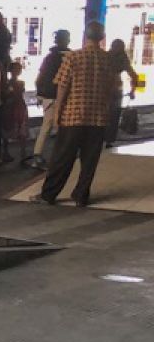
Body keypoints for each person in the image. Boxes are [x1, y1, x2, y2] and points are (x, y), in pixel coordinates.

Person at [32, 21, 113, 207]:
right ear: (102, 37)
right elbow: (110, 89)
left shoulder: (73, 57)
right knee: (89, 160)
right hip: (98, 118)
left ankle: (48, 195)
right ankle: (81, 195)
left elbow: (62, 87)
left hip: (73, 117)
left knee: (62, 158)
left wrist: (58, 114)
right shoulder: (108, 60)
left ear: (85, 36)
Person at [32, 29, 72, 169]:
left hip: (48, 98)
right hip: (65, 97)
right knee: (64, 127)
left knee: (47, 126)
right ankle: (59, 157)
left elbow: (39, 78)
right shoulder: (70, 57)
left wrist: (39, 94)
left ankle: (38, 155)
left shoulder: (49, 58)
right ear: (66, 40)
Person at [105, 39, 139, 147]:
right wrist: (132, 91)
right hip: (116, 90)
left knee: (102, 114)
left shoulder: (105, 56)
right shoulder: (122, 59)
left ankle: (98, 138)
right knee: (114, 116)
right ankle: (109, 140)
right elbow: (134, 76)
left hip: (102, 90)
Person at [1, 60, 28, 164]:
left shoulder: (9, 83)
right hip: (16, 106)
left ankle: (13, 152)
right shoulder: (17, 83)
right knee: (18, 129)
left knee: (15, 129)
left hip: (13, 107)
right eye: (16, 69)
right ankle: (21, 153)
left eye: (18, 69)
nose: (17, 71)